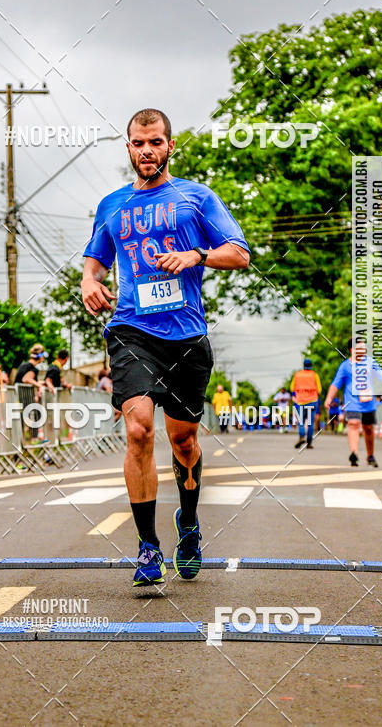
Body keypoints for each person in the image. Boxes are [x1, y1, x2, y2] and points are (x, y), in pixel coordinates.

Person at [81, 107, 249, 586]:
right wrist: (90, 282)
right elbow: (94, 262)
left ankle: (189, 525)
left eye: (156, 142)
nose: (147, 151)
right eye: (138, 143)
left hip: (186, 335)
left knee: (183, 440)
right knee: (138, 430)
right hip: (132, 329)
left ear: (169, 146)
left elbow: (239, 252)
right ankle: (148, 548)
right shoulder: (112, 205)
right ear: (128, 147)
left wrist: (196, 255)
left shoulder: (196, 198)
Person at [323, 338, 382, 467]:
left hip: (368, 403)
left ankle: (370, 455)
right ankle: (354, 454)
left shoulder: (370, 362)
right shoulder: (345, 366)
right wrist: (329, 398)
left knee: (368, 429)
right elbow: (336, 384)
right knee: (353, 424)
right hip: (352, 403)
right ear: (352, 350)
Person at [291, 358, 321, 449]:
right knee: (310, 423)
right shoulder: (314, 375)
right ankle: (309, 442)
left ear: (303, 365)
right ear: (311, 365)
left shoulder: (297, 375)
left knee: (301, 422)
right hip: (312, 401)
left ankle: (301, 436)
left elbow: (292, 388)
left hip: (301, 401)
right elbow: (319, 389)